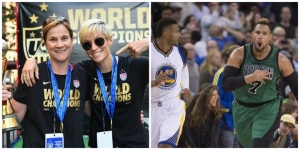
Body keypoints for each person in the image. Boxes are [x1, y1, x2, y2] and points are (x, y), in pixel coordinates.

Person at [21, 19, 149, 148]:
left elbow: (168, 69)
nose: (94, 48)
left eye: (99, 41)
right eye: (87, 45)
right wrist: (31, 60)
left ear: (110, 40)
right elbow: (59, 67)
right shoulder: (83, 71)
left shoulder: (135, 65)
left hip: (135, 143)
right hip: (100, 145)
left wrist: (149, 42)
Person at [10, 17, 89, 148]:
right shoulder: (31, 74)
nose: (59, 44)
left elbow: (95, 110)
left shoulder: (82, 75)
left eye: (64, 38)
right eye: (53, 39)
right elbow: (14, 118)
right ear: (45, 44)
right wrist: (3, 103)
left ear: (72, 41)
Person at [222, 18, 298, 148]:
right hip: (242, 108)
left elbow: (297, 87)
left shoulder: (281, 60)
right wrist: (251, 77)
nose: (260, 37)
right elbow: (226, 84)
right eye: (258, 33)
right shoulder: (239, 54)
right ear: (252, 34)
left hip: (267, 109)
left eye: (264, 34)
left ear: (270, 37)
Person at [151, 17, 191, 148]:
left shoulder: (181, 52)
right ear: (166, 34)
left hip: (173, 107)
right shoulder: (149, 52)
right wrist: (155, 83)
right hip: (152, 106)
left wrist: (185, 87)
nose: (180, 35)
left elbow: (184, 68)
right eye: (177, 31)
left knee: (166, 146)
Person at [177, 83, 223, 148]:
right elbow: (186, 136)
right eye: (213, 95)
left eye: (216, 94)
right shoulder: (190, 111)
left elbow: (214, 140)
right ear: (206, 96)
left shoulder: (215, 113)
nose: (216, 97)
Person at [212, 45, 240, 148]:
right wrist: (234, 107)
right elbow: (214, 100)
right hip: (225, 124)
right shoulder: (220, 74)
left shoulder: (243, 75)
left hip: (239, 126)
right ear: (227, 58)